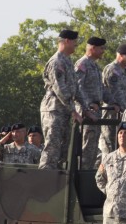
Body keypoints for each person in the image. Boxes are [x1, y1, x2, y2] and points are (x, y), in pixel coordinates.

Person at [39, 29, 91, 170]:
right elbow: (60, 89)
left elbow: (76, 88)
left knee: (64, 150)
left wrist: (85, 108)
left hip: (65, 110)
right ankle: (44, 182)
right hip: (53, 109)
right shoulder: (56, 62)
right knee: (52, 148)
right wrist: (74, 111)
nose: (76, 45)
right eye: (74, 42)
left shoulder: (67, 61)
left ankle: (60, 186)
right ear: (67, 41)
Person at [76, 37, 119, 170]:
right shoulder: (82, 64)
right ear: (93, 48)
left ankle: (87, 174)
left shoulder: (94, 66)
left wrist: (113, 102)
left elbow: (101, 89)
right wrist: (88, 105)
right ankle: (80, 179)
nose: (103, 51)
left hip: (96, 113)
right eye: (101, 48)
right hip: (87, 113)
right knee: (86, 149)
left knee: (93, 150)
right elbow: (77, 87)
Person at [101, 43, 126, 154]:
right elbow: (114, 93)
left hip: (123, 115)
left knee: (120, 147)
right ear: (120, 55)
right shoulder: (112, 69)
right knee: (110, 145)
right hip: (112, 114)